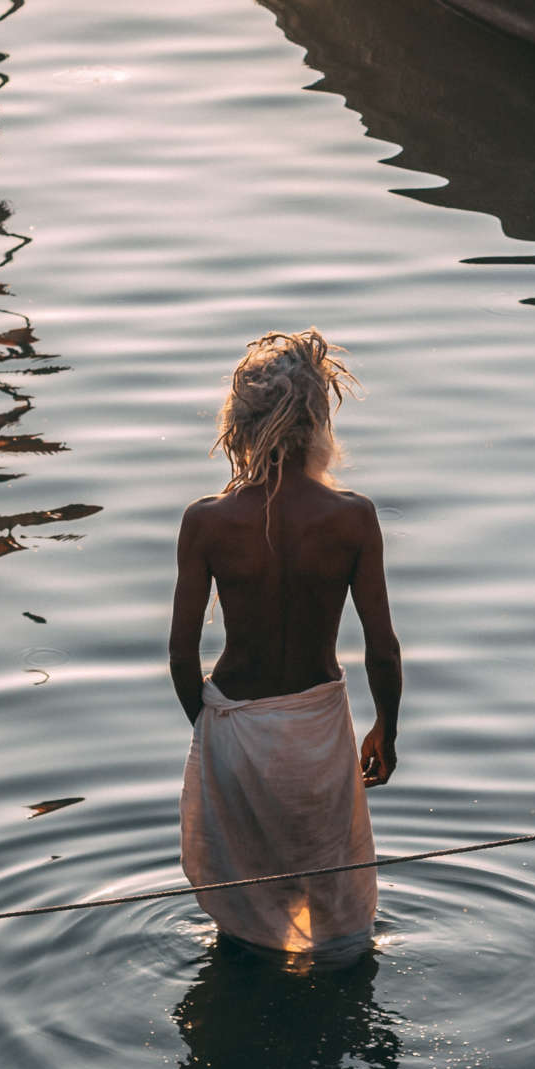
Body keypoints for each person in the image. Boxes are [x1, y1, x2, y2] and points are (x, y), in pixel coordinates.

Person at [170, 329, 401, 961]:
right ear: (319, 421)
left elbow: (180, 654)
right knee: (332, 901)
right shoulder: (353, 517)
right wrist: (387, 727)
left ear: (239, 424)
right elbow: (382, 647)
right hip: (317, 728)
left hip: (235, 723)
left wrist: (213, 726)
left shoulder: (207, 521)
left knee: (245, 903)